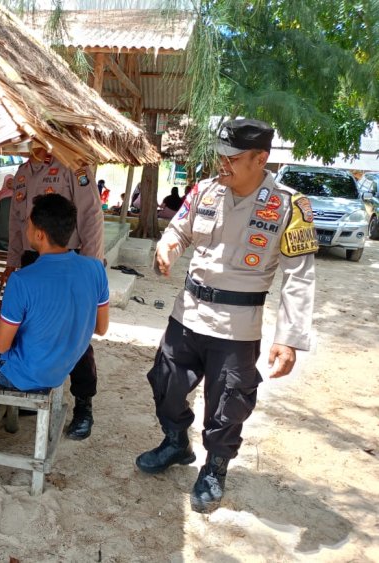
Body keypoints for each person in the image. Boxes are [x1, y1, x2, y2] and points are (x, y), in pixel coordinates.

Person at [135, 118, 317, 513]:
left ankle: (214, 469)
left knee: (227, 404)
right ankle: (175, 442)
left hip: (238, 326)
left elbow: (299, 278)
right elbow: (179, 230)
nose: (223, 164)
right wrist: (167, 246)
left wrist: (288, 338)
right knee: (165, 384)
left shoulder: (289, 205)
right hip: (188, 313)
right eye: (220, 156)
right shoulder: (205, 191)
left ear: (261, 158)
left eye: (233, 158)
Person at [0, 194, 109, 459]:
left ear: (39, 234)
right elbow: (101, 328)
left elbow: (2, 345)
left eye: (28, 224)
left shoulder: (23, 279)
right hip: (60, 368)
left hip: (25, 372)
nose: (25, 228)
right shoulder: (95, 269)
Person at [4, 141, 104, 440]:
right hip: (31, 259)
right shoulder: (23, 171)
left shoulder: (73, 163)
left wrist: (91, 268)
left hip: (68, 261)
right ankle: (32, 390)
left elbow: (91, 216)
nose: (32, 139)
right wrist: (12, 263)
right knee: (29, 328)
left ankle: (84, 406)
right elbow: (16, 222)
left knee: (77, 334)